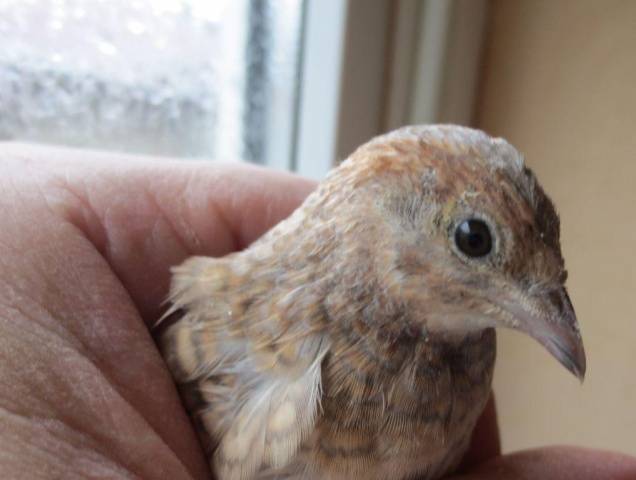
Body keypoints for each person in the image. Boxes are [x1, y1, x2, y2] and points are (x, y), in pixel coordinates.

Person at [0, 143, 633, 480]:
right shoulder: (247, 335)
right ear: (388, 217)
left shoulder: (465, 350)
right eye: (474, 241)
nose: (556, 328)